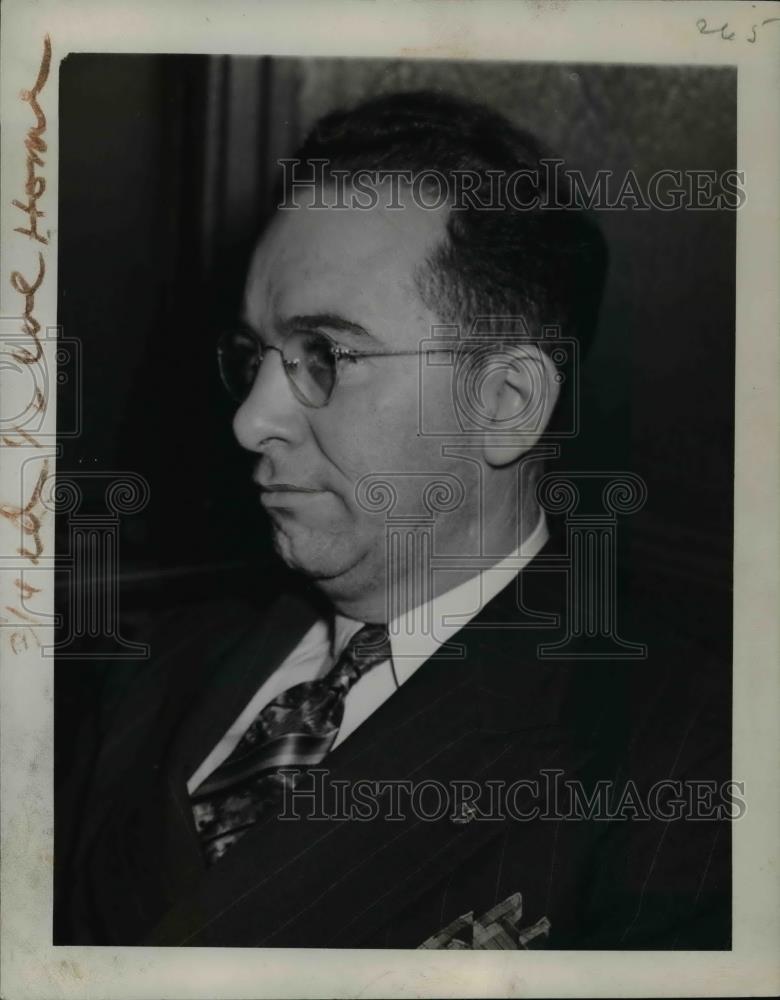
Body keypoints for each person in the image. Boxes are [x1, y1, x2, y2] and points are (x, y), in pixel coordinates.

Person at [56, 90, 730, 949]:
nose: (250, 421)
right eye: (254, 357)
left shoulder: (685, 769)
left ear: (507, 402)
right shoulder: (151, 664)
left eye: (326, 355)